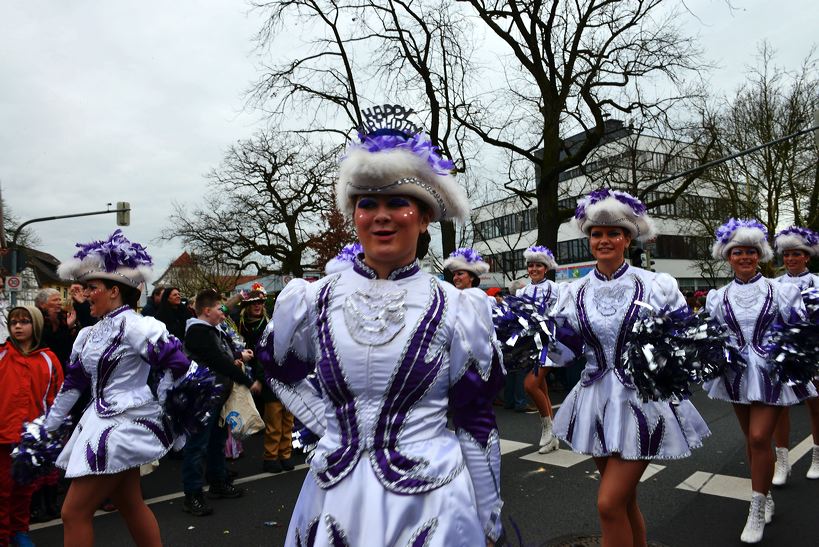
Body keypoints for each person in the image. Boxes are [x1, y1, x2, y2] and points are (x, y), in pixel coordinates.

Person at [257, 116, 505, 546]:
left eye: (397, 203)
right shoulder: (313, 299)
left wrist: (488, 512)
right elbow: (279, 367)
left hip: (429, 501)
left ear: (425, 216)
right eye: (367, 204)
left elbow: (475, 417)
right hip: (335, 496)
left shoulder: (457, 307)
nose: (381, 217)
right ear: (353, 214)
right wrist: (329, 424)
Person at [549, 188, 710, 547]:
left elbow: (685, 342)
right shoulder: (573, 292)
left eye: (613, 233)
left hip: (643, 404)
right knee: (624, 501)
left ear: (627, 238)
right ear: (588, 239)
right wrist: (537, 338)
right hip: (594, 402)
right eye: (597, 233)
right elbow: (566, 351)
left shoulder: (656, 284)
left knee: (608, 504)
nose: (604, 240)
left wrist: (664, 358)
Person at [41, 230, 194, 547]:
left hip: (124, 426)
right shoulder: (88, 334)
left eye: (91, 288)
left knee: (73, 513)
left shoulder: (137, 326)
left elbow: (178, 363)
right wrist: (48, 426)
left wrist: (169, 402)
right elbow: (74, 384)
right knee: (130, 503)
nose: (83, 294)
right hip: (99, 423)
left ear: (114, 291)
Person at [703, 219, 815, 543]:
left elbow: (798, 328)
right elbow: (714, 333)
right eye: (738, 252)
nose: (745, 257)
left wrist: (791, 352)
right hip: (736, 374)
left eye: (751, 252)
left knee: (757, 437)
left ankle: (756, 508)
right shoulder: (719, 297)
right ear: (728, 257)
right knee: (753, 442)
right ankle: (765, 495)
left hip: (770, 373)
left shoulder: (780, 289)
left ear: (760, 255)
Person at [181, 288, 260, 516]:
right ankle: (192, 494)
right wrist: (247, 380)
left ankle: (217, 481)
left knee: (216, 441)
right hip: (203, 397)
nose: (224, 314)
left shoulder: (210, 326)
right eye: (219, 309)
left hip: (217, 394)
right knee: (197, 446)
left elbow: (223, 310)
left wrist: (238, 298)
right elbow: (219, 361)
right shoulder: (198, 332)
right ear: (206, 311)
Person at [1, 306, 63, 547]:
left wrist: (53, 431)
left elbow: (57, 398)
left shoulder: (49, 359)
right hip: (3, 435)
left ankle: (19, 529)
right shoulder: (2, 355)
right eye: (14, 322)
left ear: (35, 325)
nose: (18, 326)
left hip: (31, 437)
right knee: (3, 490)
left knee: (24, 489)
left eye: (24, 321)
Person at [769, 226, 819, 485]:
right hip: (783, 354)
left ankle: (817, 456)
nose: (790, 259)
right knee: (780, 406)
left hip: (814, 354)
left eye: (796, 254)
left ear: (807, 256)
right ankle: (783, 462)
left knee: (816, 405)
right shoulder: (774, 285)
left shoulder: (818, 282)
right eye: (786, 255)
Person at [236, 286, 294, 474]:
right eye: (254, 303)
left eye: (261, 302)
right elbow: (263, 358)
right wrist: (263, 377)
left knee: (288, 421)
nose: (258, 306)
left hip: (289, 381)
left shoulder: (286, 328)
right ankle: (271, 457)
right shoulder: (263, 329)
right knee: (274, 422)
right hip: (270, 380)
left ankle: (285, 455)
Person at [518, 245, 561, 454]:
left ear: (546, 268)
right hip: (531, 344)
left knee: (530, 384)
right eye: (531, 265)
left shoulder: (554, 288)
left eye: (538, 265)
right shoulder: (522, 290)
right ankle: (552, 438)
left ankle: (548, 429)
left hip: (550, 342)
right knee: (540, 386)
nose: (534, 269)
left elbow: (561, 314)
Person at [34, 288, 76, 368]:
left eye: (59, 300)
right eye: (55, 300)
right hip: (43, 364)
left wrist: (69, 327)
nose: (59, 303)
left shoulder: (65, 317)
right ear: (42, 304)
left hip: (62, 364)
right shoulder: (36, 319)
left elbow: (67, 345)